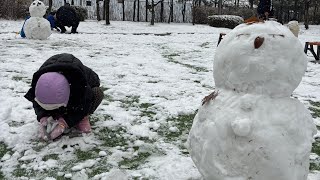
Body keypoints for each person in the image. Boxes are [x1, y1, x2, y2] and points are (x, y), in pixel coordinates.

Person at [25, 53, 104, 140]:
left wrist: (65, 122)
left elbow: (84, 104)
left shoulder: (79, 86)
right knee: (52, 102)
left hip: (86, 87)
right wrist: (42, 117)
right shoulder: (40, 82)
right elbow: (36, 101)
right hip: (61, 85)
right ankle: (57, 112)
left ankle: (82, 118)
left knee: (95, 95)